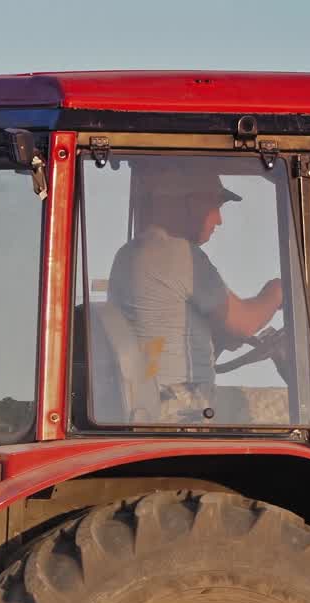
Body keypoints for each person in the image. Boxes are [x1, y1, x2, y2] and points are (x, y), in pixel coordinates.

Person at [108, 166, 283, 418]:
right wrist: (277, 291)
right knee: (291, 411)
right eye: (216, 207)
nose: (219, 221)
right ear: (192, 203)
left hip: (154, 404)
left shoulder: (130, 254)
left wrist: (222, 340)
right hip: (182, 406)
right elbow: (245, 322)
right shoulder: (179, 254)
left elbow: (167, 330)